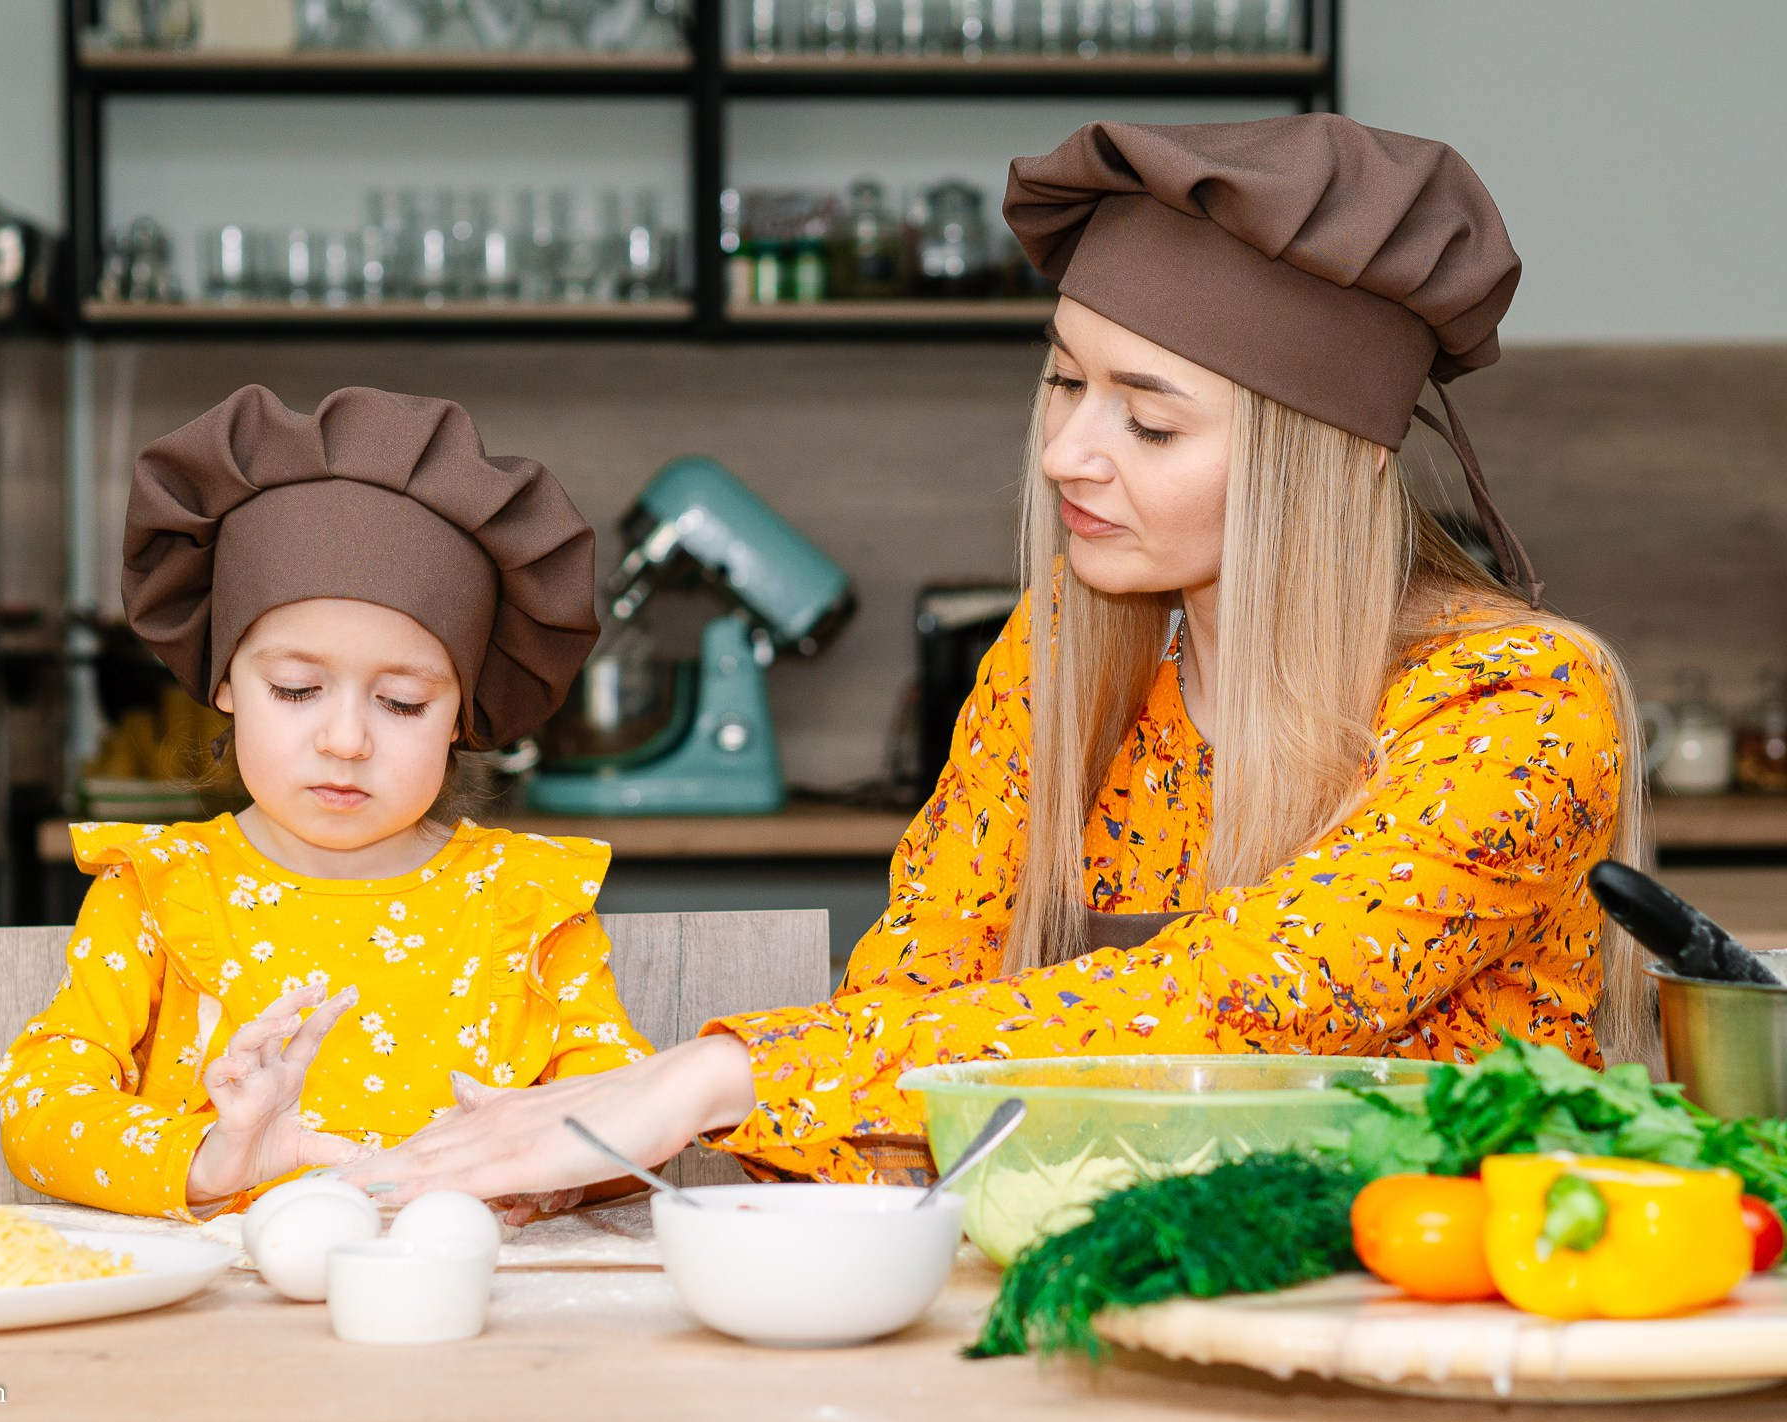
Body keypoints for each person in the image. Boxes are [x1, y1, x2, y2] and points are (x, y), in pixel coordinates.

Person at [336, 113, 1648, 1202]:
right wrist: (620, 1130)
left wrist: (712, 1077)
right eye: (1065, 383)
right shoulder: (1064, 650)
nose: (1071, 452)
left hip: (1442, 1322)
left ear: (1326, 461)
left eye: (1148, 419)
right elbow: (920, 990)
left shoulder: (1519, 708)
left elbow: (1251, 1007)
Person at [0, 385, 651, 1218]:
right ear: (226, 681)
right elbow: (39, 1107)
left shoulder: (526, 901)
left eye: (403, 702)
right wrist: (210, 1158)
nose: (346, 739)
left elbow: (628, 1108)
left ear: (463, 712)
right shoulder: (160, 891)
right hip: (214, 1331)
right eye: (298, 689)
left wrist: (555, 1169)